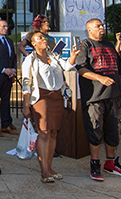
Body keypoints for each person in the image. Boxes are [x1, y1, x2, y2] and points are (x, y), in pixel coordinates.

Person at [74, 18, 121, 182]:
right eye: (97, 26)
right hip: (95, 97)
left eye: (102, 25)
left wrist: (120, 92)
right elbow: (81, 69)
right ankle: (95, 163)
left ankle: (111, 162)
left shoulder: (109, 45)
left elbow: (119, 71)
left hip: (113, 97)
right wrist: (99, 78)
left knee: (112, 130)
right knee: (95, 130)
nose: (101, 28)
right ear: (89, 29)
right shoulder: (85, 45)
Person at [21, 29, 77, 183]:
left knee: (53, 133)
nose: (44, 39)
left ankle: (50, 167)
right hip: (41, 98)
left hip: (57, 97)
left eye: (44, 37)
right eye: (40, 38)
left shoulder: (53, 56)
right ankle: (44, 170)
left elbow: (67, 67)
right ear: (33, 43)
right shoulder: (30, 60)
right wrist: (26, 105)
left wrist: (73, 56)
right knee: (44, 133)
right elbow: (26, 83)